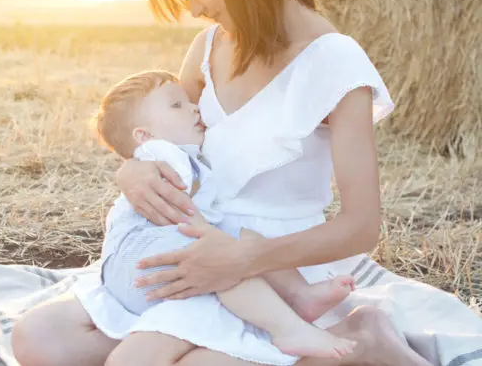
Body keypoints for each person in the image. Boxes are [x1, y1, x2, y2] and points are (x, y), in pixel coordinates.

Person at [12, 0, 433, 366]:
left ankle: (360, 338)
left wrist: (245, 259)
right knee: (40, 337)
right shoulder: (207, 49)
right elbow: (163, 135)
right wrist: (130, 171)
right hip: (197, 249)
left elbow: (360, 227)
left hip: (275, 271)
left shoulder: (335, 61)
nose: (193, 9)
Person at [90, 68, 357, 360]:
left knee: (244, 239)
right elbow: (180, 205)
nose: (194, 108)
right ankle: (287, 328)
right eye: (176, 105)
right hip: (143, 260)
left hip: (133, 268)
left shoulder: (168, 155)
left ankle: (301, 295)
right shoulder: (162, 155)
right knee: (225, 261)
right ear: (144, 135)